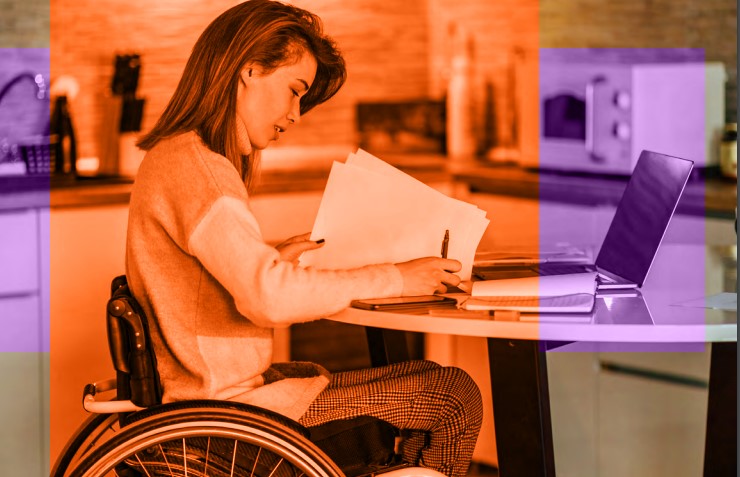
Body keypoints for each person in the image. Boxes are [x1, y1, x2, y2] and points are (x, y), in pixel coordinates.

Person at [127, 1, 482, 476]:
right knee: (452, 398)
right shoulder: (201, 169)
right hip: (234, 424)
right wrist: (396, 278)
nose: (296, 114)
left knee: (436, 380)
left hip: (228, 405)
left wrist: (271, 257)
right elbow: (267, 299)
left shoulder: (180, 158)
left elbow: (202, 284)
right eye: (294, 91)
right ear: (249, 68)